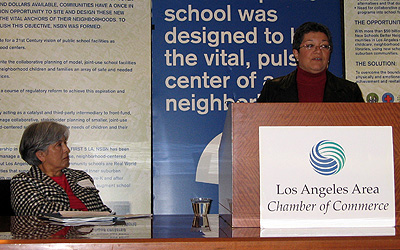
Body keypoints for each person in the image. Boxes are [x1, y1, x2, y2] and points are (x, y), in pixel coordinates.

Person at [11, 121, 111, 216]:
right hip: (51, 233)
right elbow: (39, 211)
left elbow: (102, 210)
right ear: (41, 155)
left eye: (65, 143)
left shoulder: (81, 176)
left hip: (90, 233)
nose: (67, 150)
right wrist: (89, 217)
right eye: (59, 145)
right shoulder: (23, 181)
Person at [257, 22, 364, 102]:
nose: (318, 51)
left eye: (324, 46)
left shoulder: (349, 91)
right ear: (296, 53)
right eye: (310, 46)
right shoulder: (273, 89)